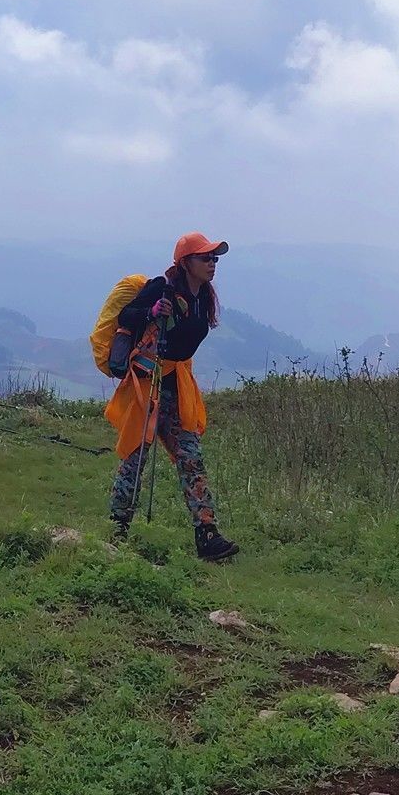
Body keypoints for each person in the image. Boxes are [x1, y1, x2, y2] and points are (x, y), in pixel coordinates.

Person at [103, 232, 238, 562]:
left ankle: (208, 535)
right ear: (186, 262)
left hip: (176, 386)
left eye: (215, 258)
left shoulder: (202, 297)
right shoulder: (162, 288)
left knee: (191, 458)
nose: (212, 264)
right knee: (135, 459)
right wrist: (151, 311)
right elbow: (126, 318)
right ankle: (117, 529)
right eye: (205, 258)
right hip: (147, 385)